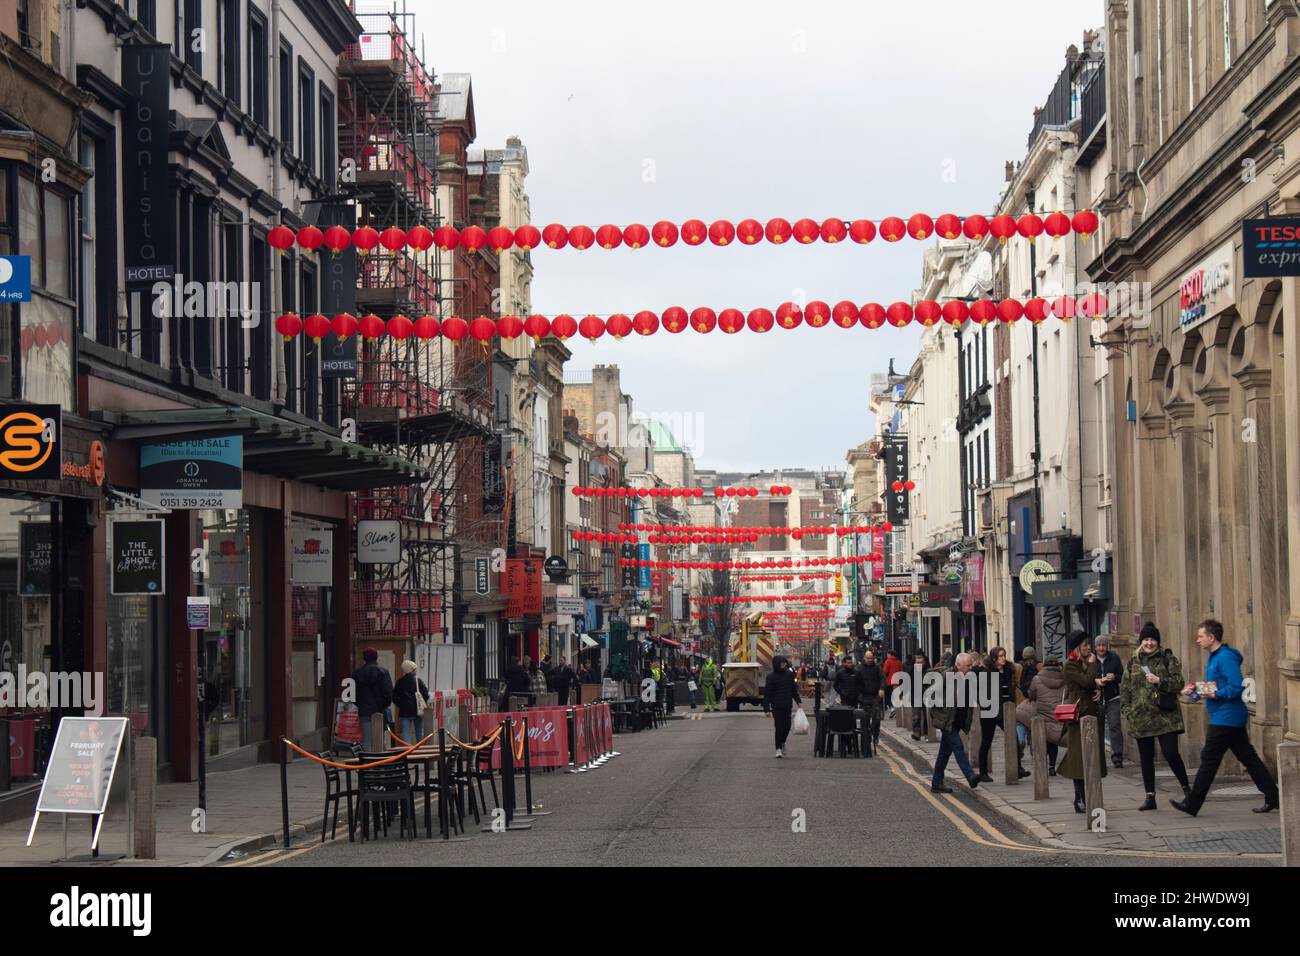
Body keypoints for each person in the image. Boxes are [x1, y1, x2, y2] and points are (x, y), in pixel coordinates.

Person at [1171, 619, 1278, 816]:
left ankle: (1192, 804)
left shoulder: (1225, 657)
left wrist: (1217, 694)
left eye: (1201, 636)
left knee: (1209, 759)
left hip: (1227, 717)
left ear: (1212, 638)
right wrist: (1193, 691)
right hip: (1226, 717)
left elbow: (1236, 686)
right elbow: (1214, 686)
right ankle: (1274, 797)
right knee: (1249, 758)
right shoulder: (1214, 656)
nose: (1197, 640)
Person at [1120, 623, 1191, 810]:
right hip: (1141, 719)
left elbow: (1179, 684)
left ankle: (1187, 790)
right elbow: (1125, 689)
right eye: (1146, 639)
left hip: (1165, 717)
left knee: (1171, 753)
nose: (1149, 643)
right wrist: (1128, 712)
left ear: (1157, 642)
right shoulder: (1133, 662)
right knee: (1146, 758)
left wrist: (1160, 681)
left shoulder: (1168, 659)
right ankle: (1150, 797)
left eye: (1152, 640)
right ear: (1141, 641)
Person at [1059, 630, 1108, 813]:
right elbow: (1087, 681)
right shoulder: (1070, 665)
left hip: (1091, 715)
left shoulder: (1083, 663)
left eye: (1089, 644)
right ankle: (1079, 797)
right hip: (1078, 717)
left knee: (1091, 757)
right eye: (1085, 645)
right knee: (1078, 759)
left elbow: (1090, 685)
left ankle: (1087, 796)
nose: (1089, 648)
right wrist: (1093, 669)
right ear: (1076, 647)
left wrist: (1098, 690)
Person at [928, 652, 979, 793]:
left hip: (957, 721)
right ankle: (970, 776)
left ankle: (936, 783)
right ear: (958, 665)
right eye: (968, 665)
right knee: (958, 747)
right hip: (947, 721)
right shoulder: (946, 676)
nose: (971, 668)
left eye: (971, 665)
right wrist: (944, 707)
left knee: (944, 754)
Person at [976, 646, 1029, 781]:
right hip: (990, 711)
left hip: (1006, 710)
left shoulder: (1008, 670)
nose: (1003, 658)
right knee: (987, 741)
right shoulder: (985, 672)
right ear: (994, 658)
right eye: (1000, 656)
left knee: (1014, 738)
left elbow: (1012, 689)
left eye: (1004, 655)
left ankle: (1018, 768)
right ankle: (983, 772)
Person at [1016, 655, 1067, 774]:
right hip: (1058, 714)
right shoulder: (1065, 678)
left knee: (1043, 739)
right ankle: (1052, 767)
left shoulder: (1037, 679)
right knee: (1053, 741)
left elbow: (1031, 695)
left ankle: (1041, 767)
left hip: (1043, 714)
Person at [352, 647, 394, 752]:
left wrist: (360, 704)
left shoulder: (357, 673)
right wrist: (383, 705)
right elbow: (388, 693)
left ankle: (368, 764)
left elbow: (352, 694)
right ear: (376, 658)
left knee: (366, 740)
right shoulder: (383, 672)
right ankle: (379, 764)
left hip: (364, 711)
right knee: (379, 739)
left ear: (364, 658)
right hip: (379, 710)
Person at [1094, 636, 1125, 768]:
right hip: (1097, 699)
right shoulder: (1090, 659)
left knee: (1114, 726)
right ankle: (1099, 757)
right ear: (1095, 647)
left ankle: (1117, 756)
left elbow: (1122, 676)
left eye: (1104, 645)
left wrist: (1114, 677)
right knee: (1098, 728)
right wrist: (1098, 680)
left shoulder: (1114, 658)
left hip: (1113, 697)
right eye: (1099, 645)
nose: (1101, 648)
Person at [763, 654, 801, 757]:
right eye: (782, 663)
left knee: (787, 726)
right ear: (777, 664)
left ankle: (782, 742)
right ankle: (778, 748)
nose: (784, 664)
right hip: (776, 706)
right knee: (779, 727)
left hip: (787, 705)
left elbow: (793, 689)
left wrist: (798, 701)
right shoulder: (771, 677)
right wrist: (766, 709)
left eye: (784, 662)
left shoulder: (789, 675)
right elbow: (767, 694)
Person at [392, 660, 430, 746]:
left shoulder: (399, 682)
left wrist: (401, 705)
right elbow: (426, 694)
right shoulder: (418, 681)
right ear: (412, 670)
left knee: (406, 733)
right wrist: (422, 703)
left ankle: (407, 751)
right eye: (415, 669)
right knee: (419, 732)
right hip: (417, 710)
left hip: (404, 711)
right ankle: (420, 751)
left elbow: (394, 697)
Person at [858, 650, 886, 750]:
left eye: (871, 658)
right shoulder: (860, 668)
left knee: (877, 718)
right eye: (868, 658)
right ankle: (866, 736)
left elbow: (883, 678)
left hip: (875, 697)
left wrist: (882, 689)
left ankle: (875, 735)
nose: (870, 660)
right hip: (864, 697)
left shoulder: (877, 668)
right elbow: (856, 681)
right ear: (864, 658)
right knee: (864, 719)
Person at [909, 651, 930, 740]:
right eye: (917, 663)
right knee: (916, 716)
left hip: (926, 695)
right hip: (916, 695)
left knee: (927, 716)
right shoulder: (912, 671)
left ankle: (926, 733)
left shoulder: (928, 671)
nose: (919, 664)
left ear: (924, 662)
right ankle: (916, 733)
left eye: (920, 662)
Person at [881, 651, 903, 717]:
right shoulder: (899, 662)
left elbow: (885, 671)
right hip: (897, 682)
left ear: (890, 654)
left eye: (888, 654)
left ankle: (892, 708)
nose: (887, 656)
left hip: (889, 682)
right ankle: (896, 710)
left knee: (888, 696)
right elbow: (901, 672)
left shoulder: (888, 661)